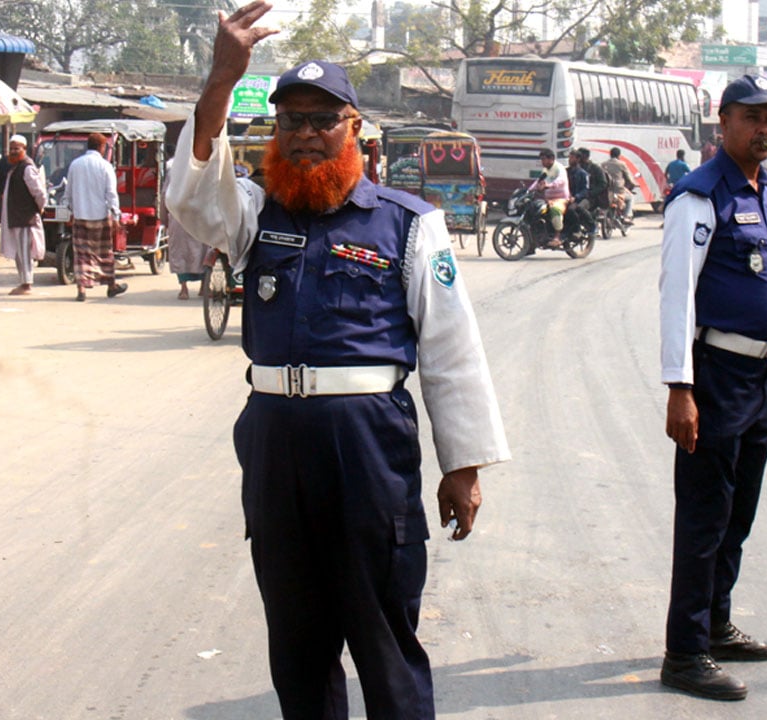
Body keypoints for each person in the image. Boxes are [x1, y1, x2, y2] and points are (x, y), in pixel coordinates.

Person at [165, 5, 510, 718]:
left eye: (323, 119)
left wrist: (463, 464)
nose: (305, 135)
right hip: (275, 447)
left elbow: (451, 348)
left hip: (368, 450)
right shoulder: (255, 215)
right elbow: (191, 197)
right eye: (290, 121)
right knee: (298, 646)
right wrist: (222, 80)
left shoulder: (408, 223)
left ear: (356, 130)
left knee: (384, 641)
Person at [658, 74, 767, 702]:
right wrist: (679, 388)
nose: (765, 128)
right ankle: (684, 653)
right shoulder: (700, 196)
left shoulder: (763, 190)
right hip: (715, 376)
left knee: (738, 513)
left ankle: (715, 623)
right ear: (724, 122)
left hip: (760, 375)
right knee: (705, 517)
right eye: (752, 117)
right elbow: (675, 299)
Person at [63, 132, 125, 302]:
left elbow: (67, 193)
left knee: (82, 254)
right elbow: (111, 194)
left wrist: (69, 211)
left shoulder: (75, 165)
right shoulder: (105, 167)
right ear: (102, 147)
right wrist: (116, 215)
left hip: (80, 216)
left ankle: (81, 289)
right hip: (100, 217)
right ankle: (111, 286)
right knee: (104, 253)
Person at [0, 134, 48, 295]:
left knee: (24, 252)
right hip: (17, 217)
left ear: (24, 149)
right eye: (11, 148)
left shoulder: (27, 167)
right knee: (19, 253)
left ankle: (26, 284)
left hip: (25, 218)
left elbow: (39, 192)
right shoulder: (15, 166)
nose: (13, 151)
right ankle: (23, 282)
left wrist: (41, 207)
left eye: (16, 148)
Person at [164, 155, 211, 300]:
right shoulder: (206, 169)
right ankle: (204, 287)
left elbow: (165, 194)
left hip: (179, 215)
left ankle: (184, 289)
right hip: (200, 215)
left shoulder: (174, 170)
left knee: (181, 252)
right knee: (203, 251)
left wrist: (163, 216)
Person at [526, 147, 569, 247]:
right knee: (534, 210)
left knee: (554, 209)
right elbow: (538, 181)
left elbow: (561, 181)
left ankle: (557, 237)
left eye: (543, 159)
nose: (542, 162)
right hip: (548, 199)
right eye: (541, 159)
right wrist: (529, 190)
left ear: (551, 159)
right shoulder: (545, 170)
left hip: (561, 199)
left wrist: (549, 185)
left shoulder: (559, 168)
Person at [577, 147, 609, 231]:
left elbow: (603, 184)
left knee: (579, 208)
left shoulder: (596, 168)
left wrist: (591, 193)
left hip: (590, 198)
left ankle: (592, 226)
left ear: (585, 156)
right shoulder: (575, 168)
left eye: (579, 156)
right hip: (577, 195)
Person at [602, 147, 636, 224]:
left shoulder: (603, 164)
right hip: (618, 190)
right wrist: (633, 184)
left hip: (606, 190)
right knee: (630, 198)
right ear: (619, 155)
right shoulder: (622, 164)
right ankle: (626, 216)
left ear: (610, 155)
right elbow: (629, 178)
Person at [566, 149, 594, 237]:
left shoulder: (583, 173)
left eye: (572, 158)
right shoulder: (566, 172)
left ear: (578, 159)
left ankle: (579, 229)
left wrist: (576, 197)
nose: (569, 160)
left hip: (582, 198)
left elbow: (586, 189)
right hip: (568, 197)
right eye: (569, 158)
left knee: (573, 209)